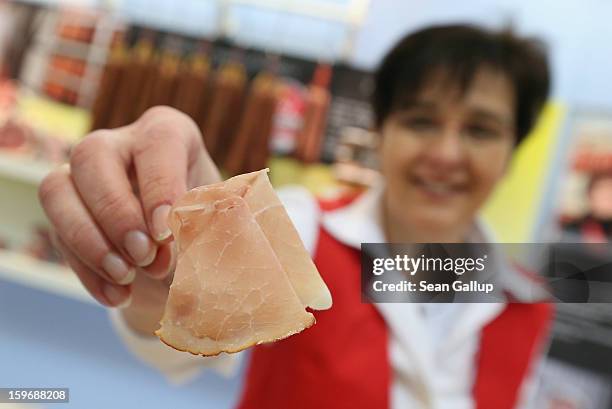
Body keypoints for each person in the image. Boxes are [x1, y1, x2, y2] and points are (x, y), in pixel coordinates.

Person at [39, 24, 553, 408]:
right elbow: (173, 348)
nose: (446, 153)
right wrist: (168, 270)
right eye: (420, 121)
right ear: (381, 131)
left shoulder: (528, 299)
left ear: (512, 150)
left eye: (480, 130)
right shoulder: (301, 230)